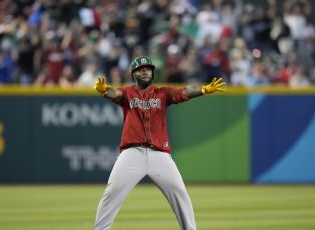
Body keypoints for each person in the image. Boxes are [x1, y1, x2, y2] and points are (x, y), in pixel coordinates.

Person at [93, 56, 225, 230]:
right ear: (134, 74)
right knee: (111, 194)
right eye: (141, 69)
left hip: (159, 155)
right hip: (132, 154)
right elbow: (114, 93)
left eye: (148, 69)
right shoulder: (127, 93)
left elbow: (184, 91)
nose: (145, 71)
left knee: (180, 195)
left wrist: (203, 90)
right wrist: (105, 91)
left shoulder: (163, 93)